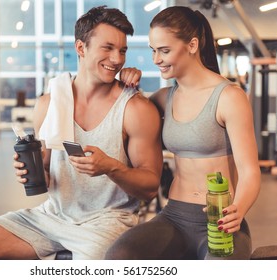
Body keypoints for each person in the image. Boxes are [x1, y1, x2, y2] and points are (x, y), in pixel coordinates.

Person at [0, 6, 163, 260]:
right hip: (52, 216)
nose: (117, 59)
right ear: (81, 48)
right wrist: (28, 171)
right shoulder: (48, 104)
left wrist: (110, 167)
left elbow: (150, 187)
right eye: (107, 48)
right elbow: (44, 173)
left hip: (106, 222)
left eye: (122, 50)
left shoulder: (136, 109)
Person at [105, 6, 261, 260]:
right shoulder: (165, 98)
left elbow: (250, 172)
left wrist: (238, 210)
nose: (156, 59)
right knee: (118, 257)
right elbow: (124, 114)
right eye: (153, 50)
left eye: (164, 50)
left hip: (220, 219)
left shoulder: (229, 97)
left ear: (192, 45)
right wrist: (125, 84)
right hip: (174, 217)